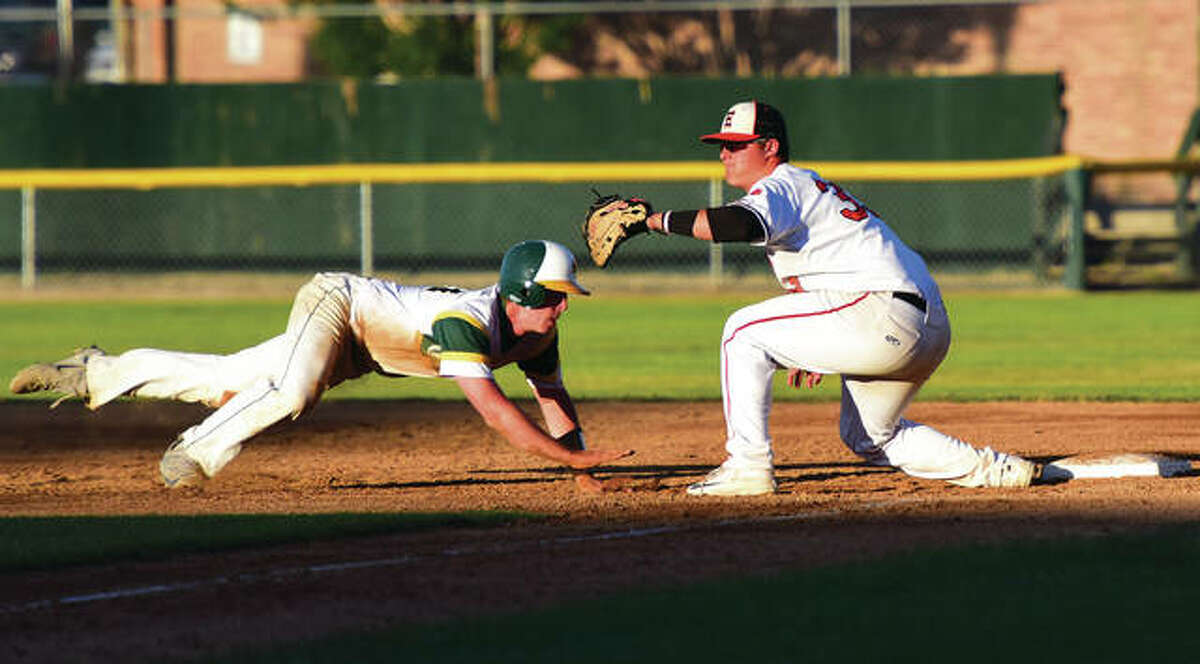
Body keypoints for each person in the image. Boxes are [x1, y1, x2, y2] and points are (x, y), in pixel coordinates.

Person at [635, 100, 1039, 495]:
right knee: (868, 437)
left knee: (741, 331)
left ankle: (748, 465)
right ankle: (995, 469)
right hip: (924, 322)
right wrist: (816, 346)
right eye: (722, 145)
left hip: (881, 310)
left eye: (737, 144)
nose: (724, 153)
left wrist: (654, 221)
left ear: (770, 147)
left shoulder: (782, 185)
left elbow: (739, 224)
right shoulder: (809, 188)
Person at [9, 240, 633, 490]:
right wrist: (572, 458)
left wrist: (577, 468)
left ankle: (98, 372)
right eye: (553, 296)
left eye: (563, 298)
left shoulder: (535, 337)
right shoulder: (466, 323)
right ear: (522, 294)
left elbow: (553, 401)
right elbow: (496, 415)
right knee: (293, 394)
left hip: (360, 355)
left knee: (226, 380)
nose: (561, 307)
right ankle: (195, 452)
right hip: (340, 306)